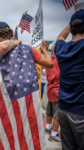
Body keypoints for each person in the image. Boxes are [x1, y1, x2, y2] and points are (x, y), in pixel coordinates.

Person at [0, 22, 53, 150]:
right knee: (19, 135)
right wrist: (44, 50)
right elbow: (50, 64)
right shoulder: (28, 50)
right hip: (21, 104)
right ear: (11, 34)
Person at [55, 10, 84, 150]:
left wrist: (71, 23)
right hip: (81, 111)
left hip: (63, 109)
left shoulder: (61, 49)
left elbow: (60, 36)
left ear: (71, 29)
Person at [44, 43, 61, 142]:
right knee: (57, 115)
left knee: (49, 111)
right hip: (58, 90)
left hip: (50, 89)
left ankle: (48, 128)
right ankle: (54, 134)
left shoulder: (49, 60)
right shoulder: (60, 61)